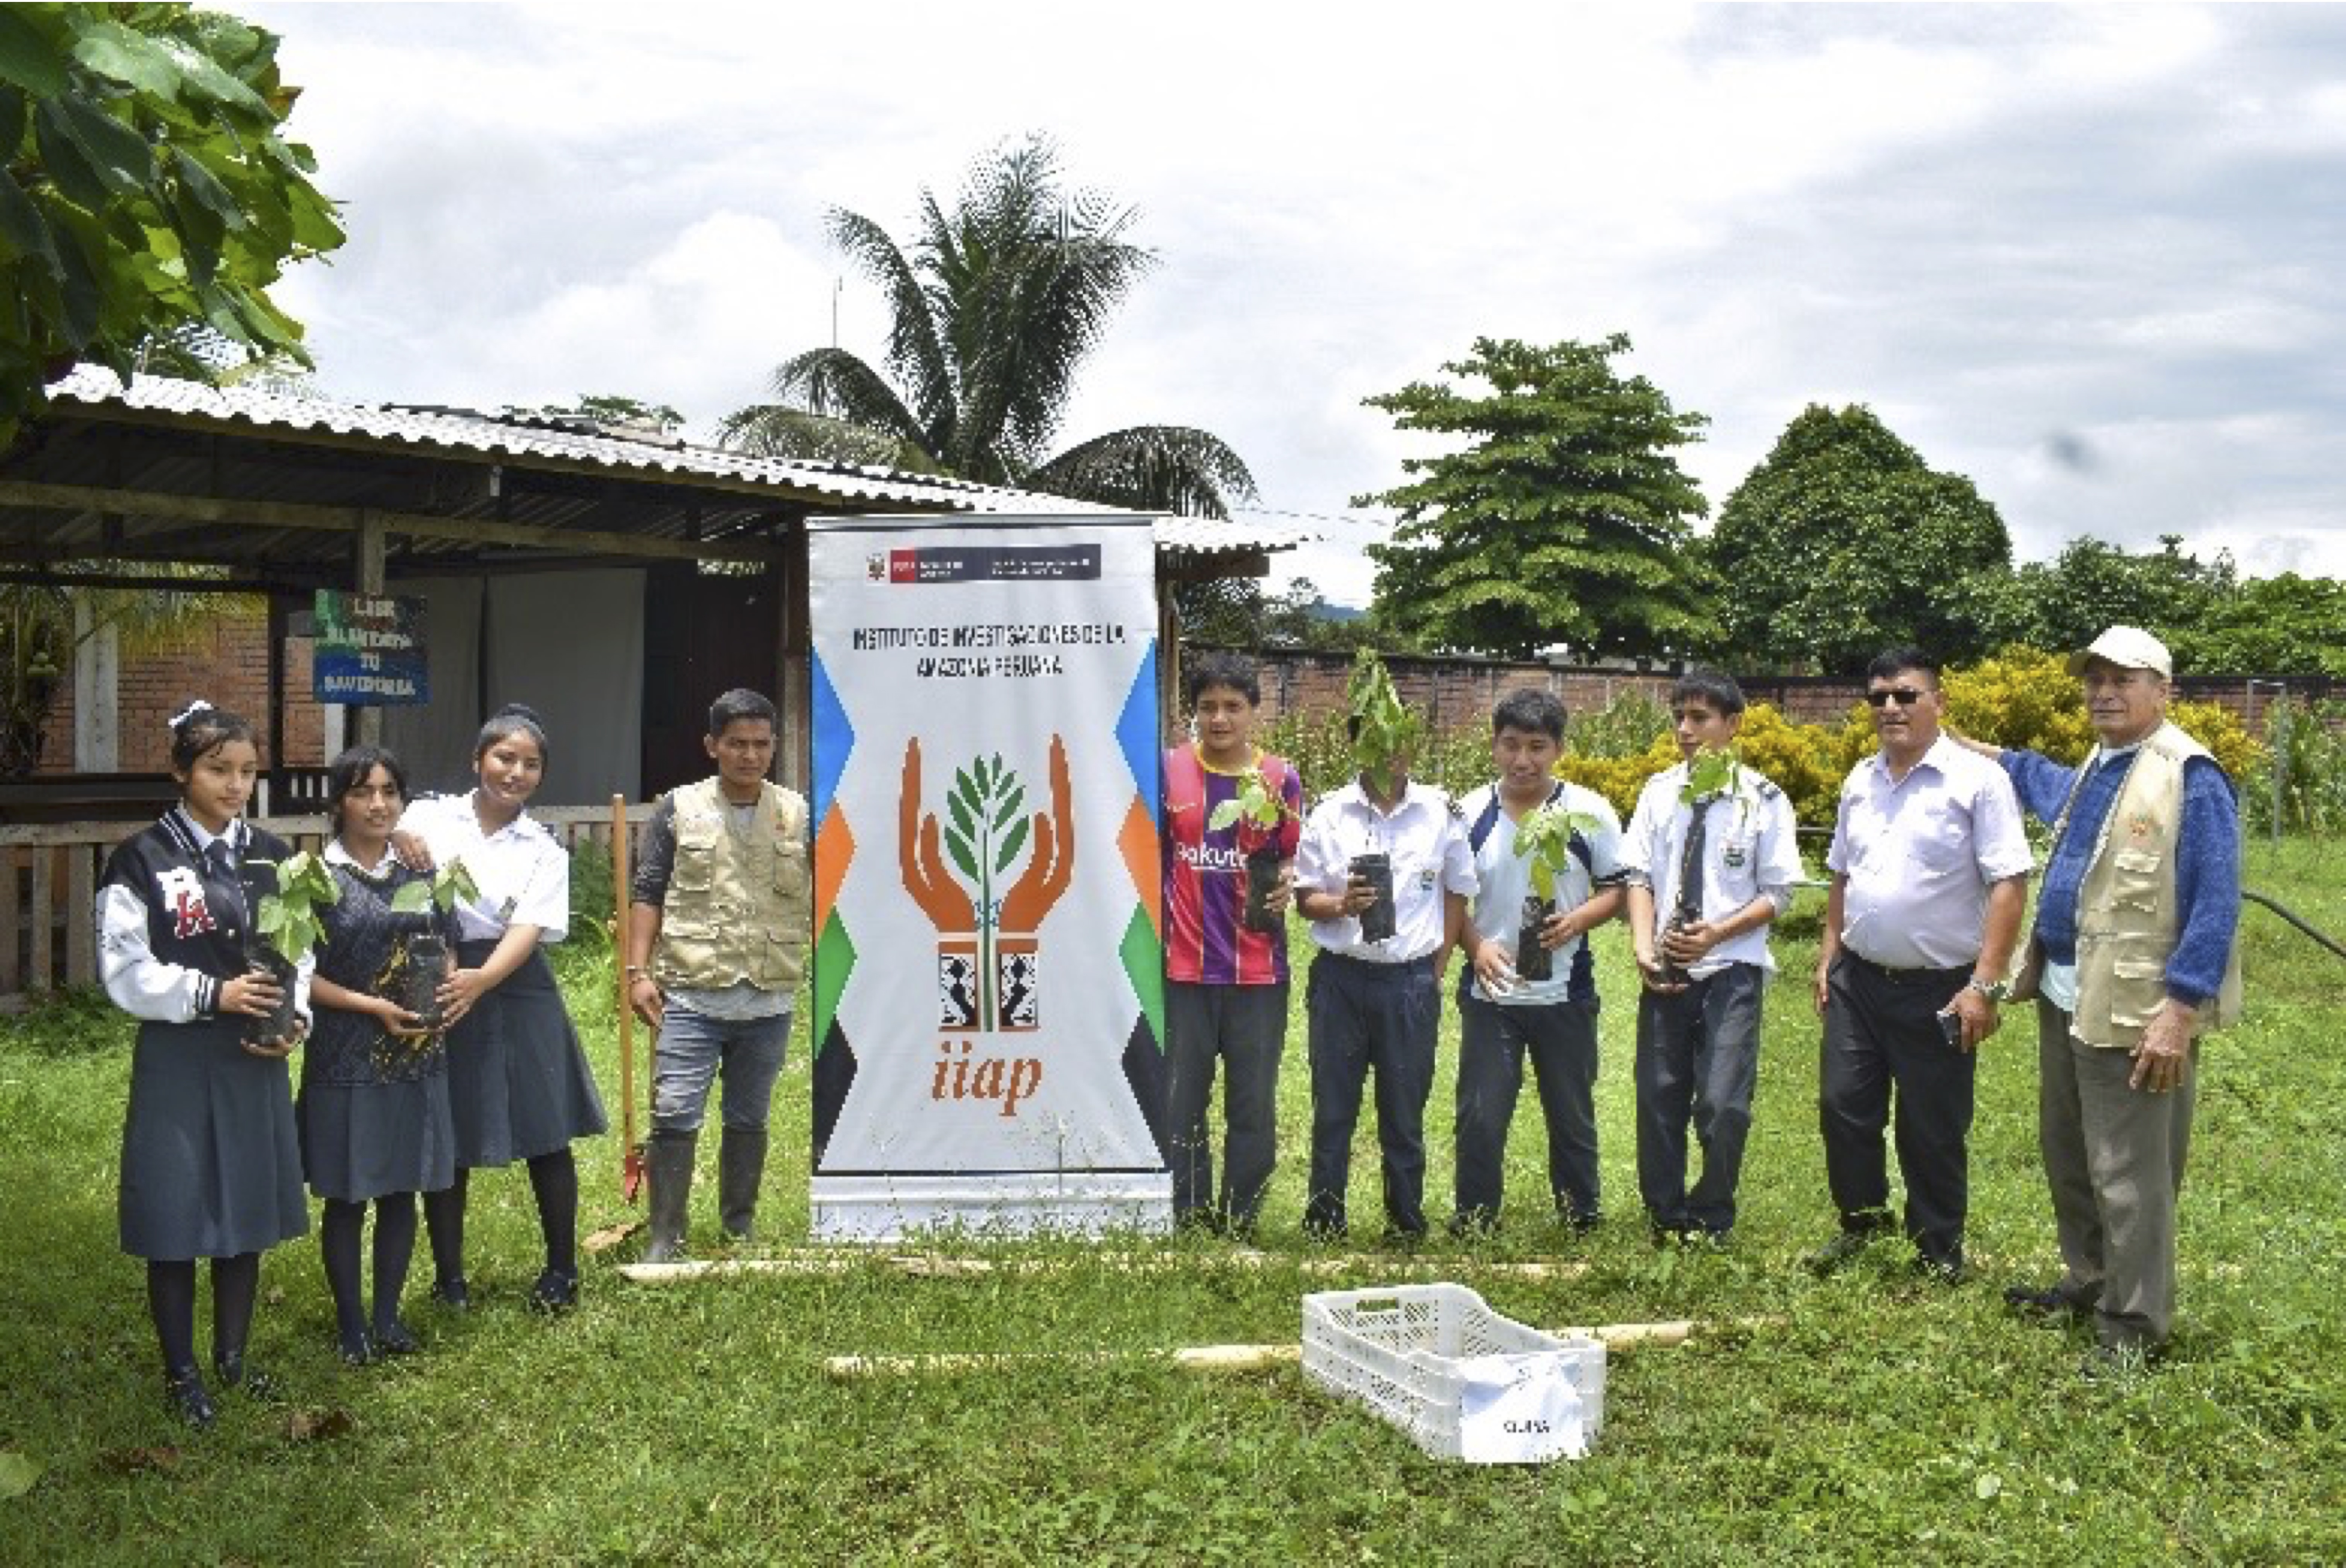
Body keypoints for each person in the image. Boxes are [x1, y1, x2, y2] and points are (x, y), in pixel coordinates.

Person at [1947, 626, 2241, 1374]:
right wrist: (1994, 759)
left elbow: (2216, 901)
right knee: (2070, 1152)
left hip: (2135, 1008)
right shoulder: (2099, 764)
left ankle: (2136, 1325)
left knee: (2131, 1173)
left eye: (2123, 679)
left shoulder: (2190, 776)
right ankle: (2090, 1281)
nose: (2103, 692)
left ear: (2162, 689)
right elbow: (2051, 793)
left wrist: (2179, 1010)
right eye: (2094, 680)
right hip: (2064, 993)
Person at [97, 700, 309, 1429]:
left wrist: (295, 1019)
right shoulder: (141, 859)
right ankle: (181, 1374)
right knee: (175, 1208)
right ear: (181, 770)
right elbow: (124, 968)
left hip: (254, 1053)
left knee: (244, 1208)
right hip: (180, 1055)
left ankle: (234, 1360)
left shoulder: (274, 858)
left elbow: (299, 953)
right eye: (219, 770)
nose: (236, 785)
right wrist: (212, 993)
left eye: (248, 772)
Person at [1806, 649, 2031, 1282]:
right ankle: (1861, 1225)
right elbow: (1841, 877)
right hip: (1858, 981)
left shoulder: (1976, 782)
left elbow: (2009, 885)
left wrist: (1983, 987)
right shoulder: (1860, 780)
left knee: (1931, 1125)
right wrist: (1829, 958)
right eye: (1877, 697)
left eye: (1905, 696)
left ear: (1938, 703)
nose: (1889, 708)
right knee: (1843, 1106)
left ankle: (1937, 1249)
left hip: (1941, 986)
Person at [404, 705, 608, 1313]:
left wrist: (481, 979)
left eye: (530, 764)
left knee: (546, 1128)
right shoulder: (427, 817)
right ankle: (449, 1280)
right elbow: (391, 863)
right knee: (449, 1128)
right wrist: (445, 963)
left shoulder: (543, 848)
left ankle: (561, 1272)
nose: (515, 772)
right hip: (436, 971)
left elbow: (531, 925)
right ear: (478, 760)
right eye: (504, 758)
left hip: (515, 982)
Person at [624, 689, 811, 1261]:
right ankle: (665, 1236)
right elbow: (648, 892)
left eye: (760, 744)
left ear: (774, 747)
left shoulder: (800, 813)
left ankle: (739, 1229)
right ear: (713, 746)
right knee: (675, 1111)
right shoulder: (679, 809)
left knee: (749, 1116)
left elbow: (829, 893)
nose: (749, 756)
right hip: (691, 993)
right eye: (737, 744)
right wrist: (636, 971)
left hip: (768, 996)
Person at [1621, 669, 1803, 1246]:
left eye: (1699, 719)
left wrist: (1715, 936)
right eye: (1678, 718)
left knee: (1722, 1104)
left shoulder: (1762, 801)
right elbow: (1639, 876)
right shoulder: (1658, 792)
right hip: (1666, 972)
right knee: (1658, 1097)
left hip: (1731, 972)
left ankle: (1712, 1215)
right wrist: (1643, 947)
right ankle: (1665, 1215)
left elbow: (1776, 894)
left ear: (1732, 725)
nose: (1684, 730)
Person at [301, 744, 460, 1364]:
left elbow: (445, 945)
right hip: (344, 1055)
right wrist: (371, 1007)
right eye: (363, 791)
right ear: (339, 801)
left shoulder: (421, 872)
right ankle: (351, 1326)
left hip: (414, 1053)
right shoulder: (314, 879)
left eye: (390, 791)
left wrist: (444, 979)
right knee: (348, 1196)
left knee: (402, 1190)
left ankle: (388, 1317)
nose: (378, 804)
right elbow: (299, 975)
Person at [1293, 717, 1475, 1241]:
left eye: (1399, 740)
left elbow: (1457, 890)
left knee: (1403, 1110)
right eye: (1374, 740)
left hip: (1409, 984)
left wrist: (1435, 970)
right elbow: (1307, 900)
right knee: (1333, 1108)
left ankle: (1405, 1222)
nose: (1388, 752)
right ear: (1354, 744)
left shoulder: (1441, 812)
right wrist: (1340, 904)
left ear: (1415, 745)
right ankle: (1324, 1219)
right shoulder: (1329, 815)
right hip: (1340, 982)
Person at [1451, 688, 1625, 1235]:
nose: (1522, 760)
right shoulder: (1468, 811)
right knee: (1480, 1113)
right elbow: (1451, 899)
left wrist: (1577, 921)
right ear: (1493, 746)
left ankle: (1581, 1216)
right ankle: (1475, 1217)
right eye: (1509, 746)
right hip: (1491, 994)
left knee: (1570, 1113)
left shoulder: (1587, 812)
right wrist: (1475, 945)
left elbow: (1618, 889)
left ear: (1559, 750)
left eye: (1536, 747)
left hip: (1564, 994)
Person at [1160, 653, 1303, 1238]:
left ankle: (1240, 1217)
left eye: (1232, 707)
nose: (1219, 719)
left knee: (1252, 1106)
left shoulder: (1279, 778)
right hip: (1181, 971)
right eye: (1208, 707)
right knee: (1180, 1104)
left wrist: (1291, 880)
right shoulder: (1167, 771)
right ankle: (1188, 1215)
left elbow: (1292, 854)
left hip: (1256, 972)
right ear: (1193, 713)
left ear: (1253, 712)